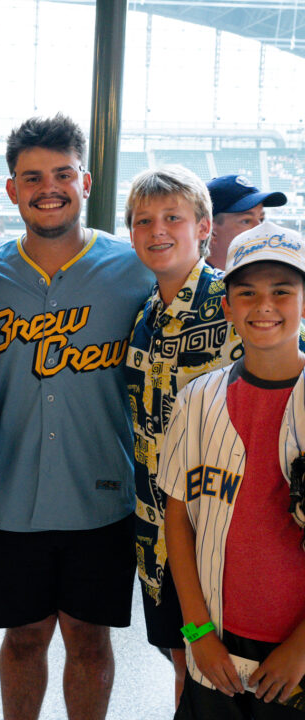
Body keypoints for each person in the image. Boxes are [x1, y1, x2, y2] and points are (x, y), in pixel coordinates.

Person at [0, 114, 154, 720]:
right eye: (32, 176)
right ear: (12, 189)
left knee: (90, 641)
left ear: (87, 180)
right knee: (22, 639)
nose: (49, 187)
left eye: (62, 173)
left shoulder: (134, 270)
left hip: (101, 495)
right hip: (11, 495)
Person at [159, 221, 305, 718]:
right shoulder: (198, 399)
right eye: (246, 293)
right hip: (215, 647)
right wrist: (196, 632)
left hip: (297, 656)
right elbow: (176, 519)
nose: (264, 306)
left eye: (282, 291)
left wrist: (301, 648)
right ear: (226, 306)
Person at [123, 165, 242, 704]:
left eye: (173, 217)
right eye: (143, 220)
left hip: (226, 542)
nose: (157, 230)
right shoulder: (145, 316)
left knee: (235, 682)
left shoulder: (236, 307)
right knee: (186, 671)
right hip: (158, 541)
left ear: (204, 226)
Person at [207, 174, 286, 270]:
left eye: (261, 219)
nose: (261, 228)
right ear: (210, 231)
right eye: (246, 221)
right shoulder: (192, 282)